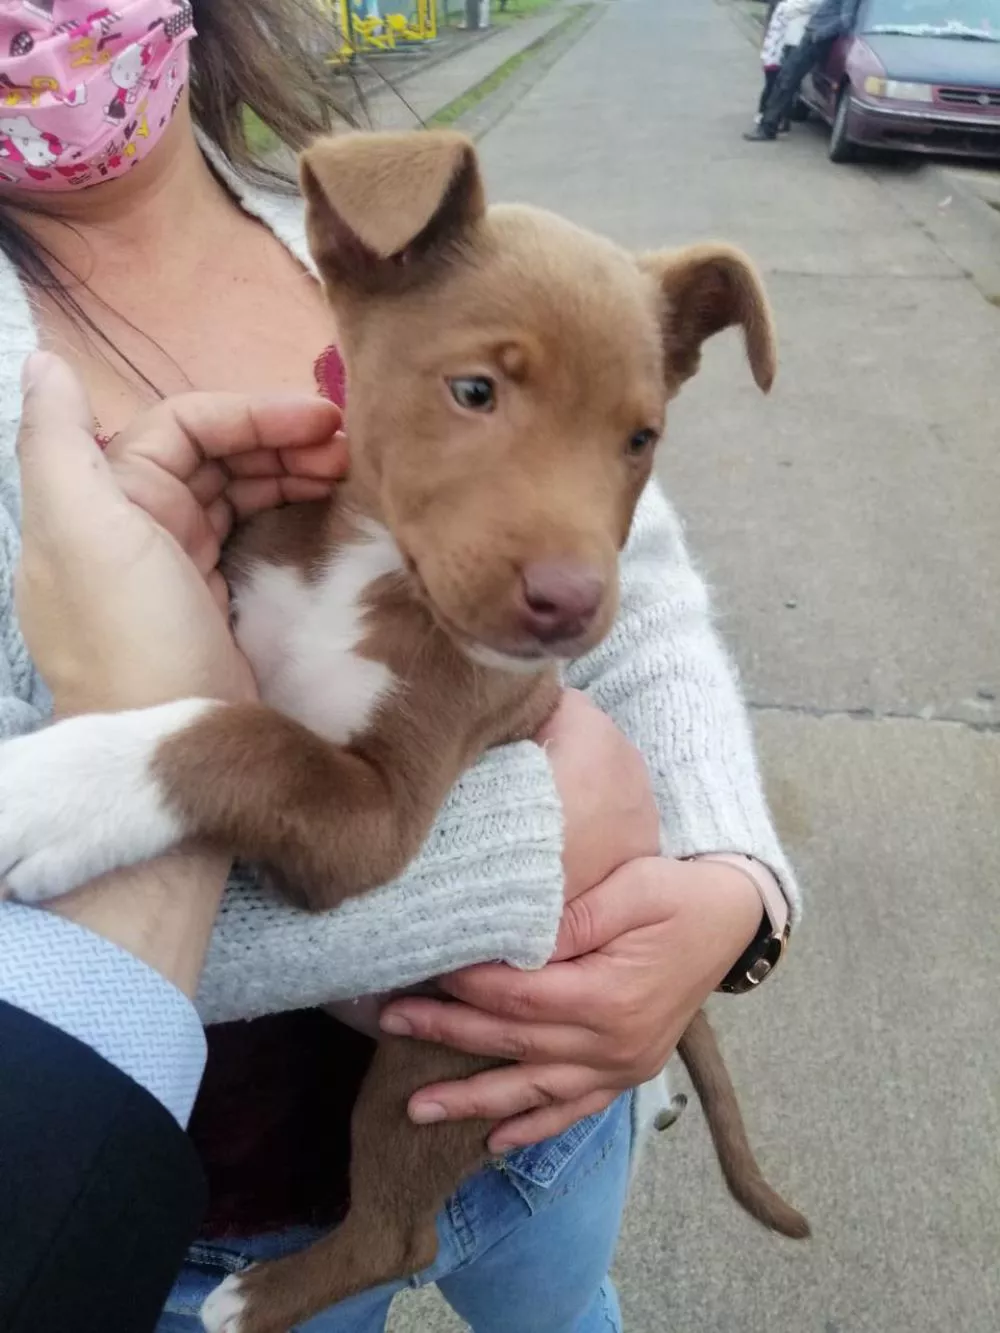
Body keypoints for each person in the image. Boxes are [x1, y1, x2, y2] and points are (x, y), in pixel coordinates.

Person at [0, 2, 801, 1330]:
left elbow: (646, 610)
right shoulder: (390, 258)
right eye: (477, 393)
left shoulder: (401, 245)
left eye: (634, 439)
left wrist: (728, 883)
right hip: (211, 1206)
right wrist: (544, 848)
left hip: (545, 1117)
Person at [0, 353, 349, 1333]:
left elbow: (638, 594)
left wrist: (720, 865)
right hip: (178, 1218)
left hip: (510, 1130)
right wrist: (539, 848)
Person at [744, 0, 857, 142]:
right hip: (813, 34)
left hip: (816, 38)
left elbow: (846, 20)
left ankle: (768, 127)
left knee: (786, 81)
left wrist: (820, 34)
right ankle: (773, 123)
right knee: (785, 80)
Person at [754, 0, 820, 130]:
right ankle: (771, 117)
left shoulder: (787, 6)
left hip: (797, 39)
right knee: (778, 81)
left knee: (785, 83)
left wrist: (786, 6)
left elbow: (811, 4)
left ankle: (774, 120)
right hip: (784, 39)